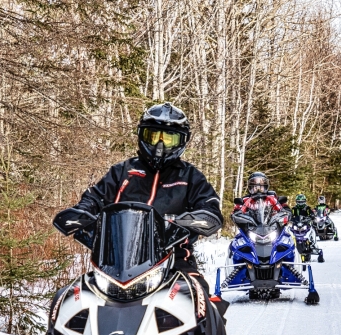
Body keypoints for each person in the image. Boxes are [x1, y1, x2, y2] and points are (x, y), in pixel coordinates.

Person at [66, 102, 223, 296]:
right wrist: (83, 212)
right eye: (153, 135)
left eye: (169, 138)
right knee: (72, 300)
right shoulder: (121, 172)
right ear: (142, 135)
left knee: (200, 298)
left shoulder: (190, 177)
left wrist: (194, 219)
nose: (160, 145)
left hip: (175, 261)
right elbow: (94, 197)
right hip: (115, 264)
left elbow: (210, 206)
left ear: (182, 141)